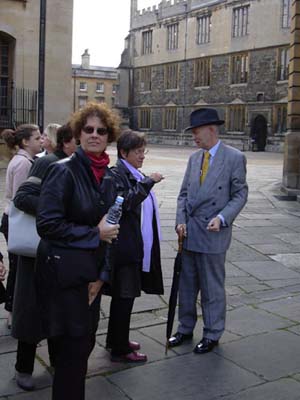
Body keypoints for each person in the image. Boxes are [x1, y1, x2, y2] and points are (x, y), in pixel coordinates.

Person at [35, 102, 120, 400]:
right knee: (72, 353)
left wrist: (101, 278)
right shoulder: (64, 171)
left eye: (101, 130)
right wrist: (92, 233)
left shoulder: (108, 177)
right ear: (78, 133)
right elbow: (47, 225)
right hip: (66, 275)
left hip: (91, 277)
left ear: (109, 135)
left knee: (83, 347)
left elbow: (112, 234)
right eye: (88, 129)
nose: (94, 135)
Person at [168, 108, 248, 354]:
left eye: (196, 131)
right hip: (190, 233)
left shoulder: (234, 157)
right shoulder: (194, 159)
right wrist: (180, 220)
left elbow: (240, 194)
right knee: (187, 285)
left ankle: (212, 333)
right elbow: (183, 194)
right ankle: (184, 328)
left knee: (212, 288)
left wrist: (223, 217)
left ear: (212, 129)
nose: (194, 136)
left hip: (213, 233)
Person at [11, 124, 76, 391]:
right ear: (67, 141)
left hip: (62, 253)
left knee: (57, 314)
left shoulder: (75, 165)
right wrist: (56, 210)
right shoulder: (48, 163)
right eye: (79, 139)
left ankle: (58, 364)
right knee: (31, 314)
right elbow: (22, 198)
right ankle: (22, 369)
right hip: (37, 251)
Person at [106, 130, 164, 363]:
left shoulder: (132, 173)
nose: (142, 155)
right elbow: (124, 203)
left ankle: (116, 339)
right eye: (138, 151)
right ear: (124, 152)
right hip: (124, 248)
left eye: (143, 151)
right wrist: (149, 182)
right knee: (124, 297)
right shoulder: (116, 174)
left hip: (132, 245)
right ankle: (120, 349)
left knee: (125, 298)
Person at [0, 125, 41, 329]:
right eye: (37, 137)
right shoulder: (24, 163)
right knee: (18, 267)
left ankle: (13, 310)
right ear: (25, 142)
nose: (41, 141)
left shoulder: (23, 160)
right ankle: (12, 311)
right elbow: (21, 198)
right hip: (16, 220)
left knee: (18, 265)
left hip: (11, 218)